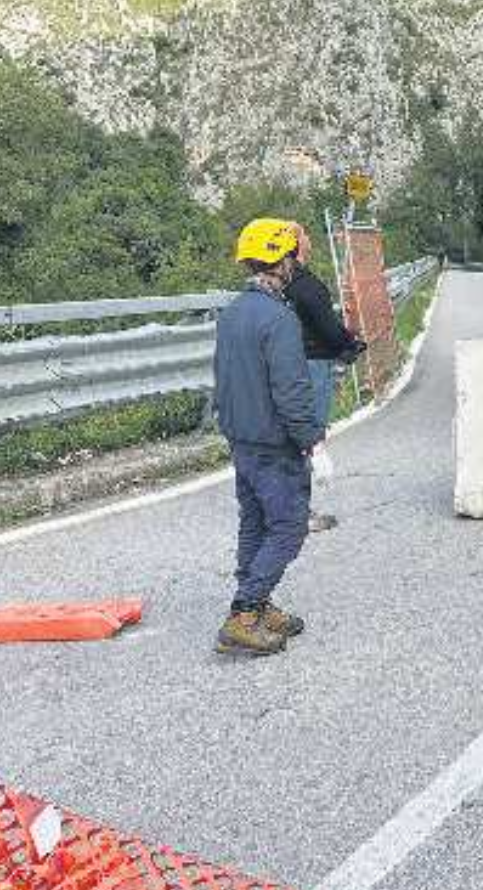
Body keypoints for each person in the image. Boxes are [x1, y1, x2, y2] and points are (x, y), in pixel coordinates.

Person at [212, 218, 325, 657]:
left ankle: (257, 605)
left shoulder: (233, 312)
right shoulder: (279, 319)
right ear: (282, 261)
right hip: (275, 443)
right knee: (289, 527)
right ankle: (244, 613)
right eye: (293, 256)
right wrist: (311, 438)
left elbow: (223, 379)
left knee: (254, 522)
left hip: (242, 439)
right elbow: (291, 390)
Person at [284, 223, 366, 533]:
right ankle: (298, 512)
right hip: (312, 366)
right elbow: (328, 328)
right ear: (297, 245)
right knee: (308, 435)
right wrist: (350, 344)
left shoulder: (276, 287)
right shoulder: (308, 286)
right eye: (303, 235)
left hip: (282, 367)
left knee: (287, 435)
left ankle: (280, 507)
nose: (309, 238)